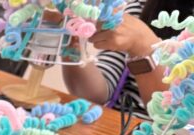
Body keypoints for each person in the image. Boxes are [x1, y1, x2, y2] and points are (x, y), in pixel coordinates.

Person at [63, 0, 192, 112]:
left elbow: (174, 118)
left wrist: (144, 45)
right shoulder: (141, 7)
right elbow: (95, 95)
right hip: (115, 125)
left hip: (162, 132)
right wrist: (71, 42)